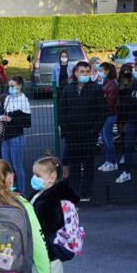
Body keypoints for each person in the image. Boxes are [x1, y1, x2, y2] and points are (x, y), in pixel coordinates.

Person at [58, 60, 104, 203]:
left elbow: (101, 112)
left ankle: (86, 192)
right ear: (76, 73)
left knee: (89, 164)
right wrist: (65, 130)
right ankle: (75, 192)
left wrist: (94, 131)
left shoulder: (96, 89)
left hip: (89, 135)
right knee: (75, 165)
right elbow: (62, 112)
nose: (85, 74)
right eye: (82, 72)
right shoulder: (68, 89)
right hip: (72, 136)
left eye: (87, 72)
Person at [0, 76, 32, 194]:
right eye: (9, 86)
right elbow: (6, 115)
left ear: (20, 86)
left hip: (16, 138)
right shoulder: (7, 98)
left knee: (17, 167)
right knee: (6, 168)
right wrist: (3, 118)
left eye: (13, 86)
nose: (10, 88)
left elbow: (27, 123)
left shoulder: (24, 100)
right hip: (5, 137)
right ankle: (8, 192)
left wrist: (10, 119)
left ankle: (22, 193)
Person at [97, 62, 119, 172]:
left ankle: (113, 162)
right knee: (105, 139)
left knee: (107, 138)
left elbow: (110, 101)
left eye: (101, 70)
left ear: (107, 71)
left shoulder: (113, 83)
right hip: (105, 114)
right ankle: (108, 161)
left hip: (109, 114)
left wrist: (101, 102)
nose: (100, 73)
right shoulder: (107, 82)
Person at [114, 63, 134, 164]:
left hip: (130, 109)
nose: (126, 71)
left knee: (127, 134)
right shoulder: (119, 81)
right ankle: (123, 154)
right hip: (121, 108)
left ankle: (127, 154)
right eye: (124, 70)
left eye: (128, 70)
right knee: (121, 133)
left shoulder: (133, 81)